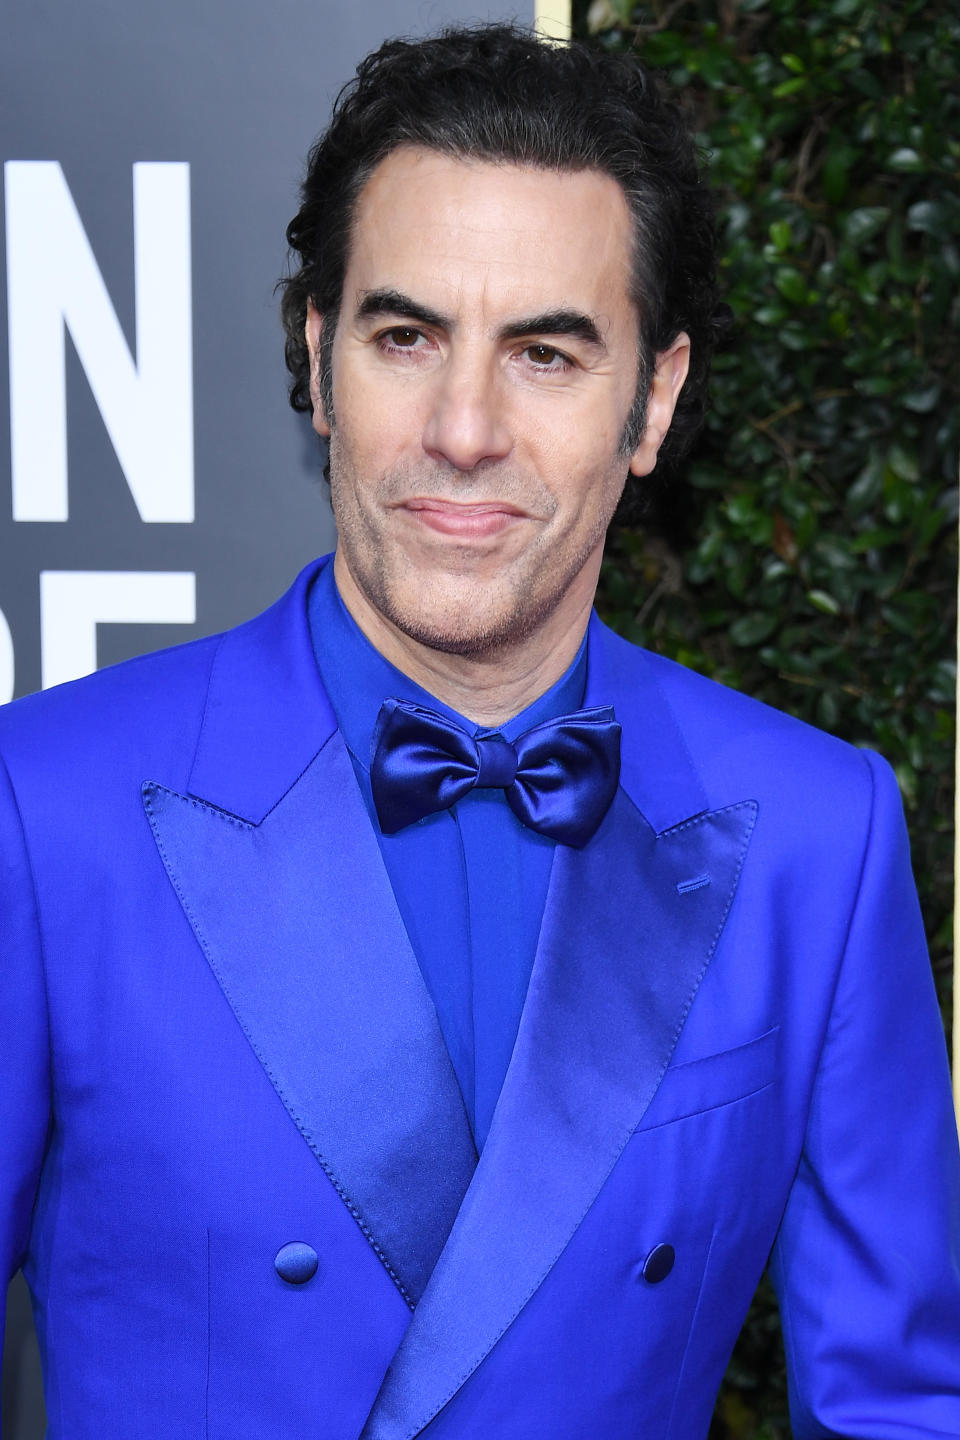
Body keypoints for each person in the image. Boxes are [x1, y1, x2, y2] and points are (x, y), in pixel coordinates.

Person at [1, 23, 958, 1440]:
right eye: (406, 337)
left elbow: (900, 1409)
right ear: (320, 363)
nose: (463, 428)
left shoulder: (817, 835)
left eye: (548, 356)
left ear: (656, 400)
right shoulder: (40, 807)